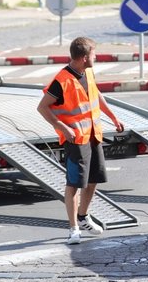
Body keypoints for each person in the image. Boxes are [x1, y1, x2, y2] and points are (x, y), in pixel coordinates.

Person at [37, 36, 124, 245]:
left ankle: (83, 217)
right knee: (74, 184)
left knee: (94, 178)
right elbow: (42, 107)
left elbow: (97, 95)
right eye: (94, 54)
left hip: (93, 134)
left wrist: (113, 117)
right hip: (76, 138)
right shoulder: (61, 80)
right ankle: (73, 228)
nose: (96, 57)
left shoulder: (88, 72)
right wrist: (63, 128)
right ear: (85, 57)